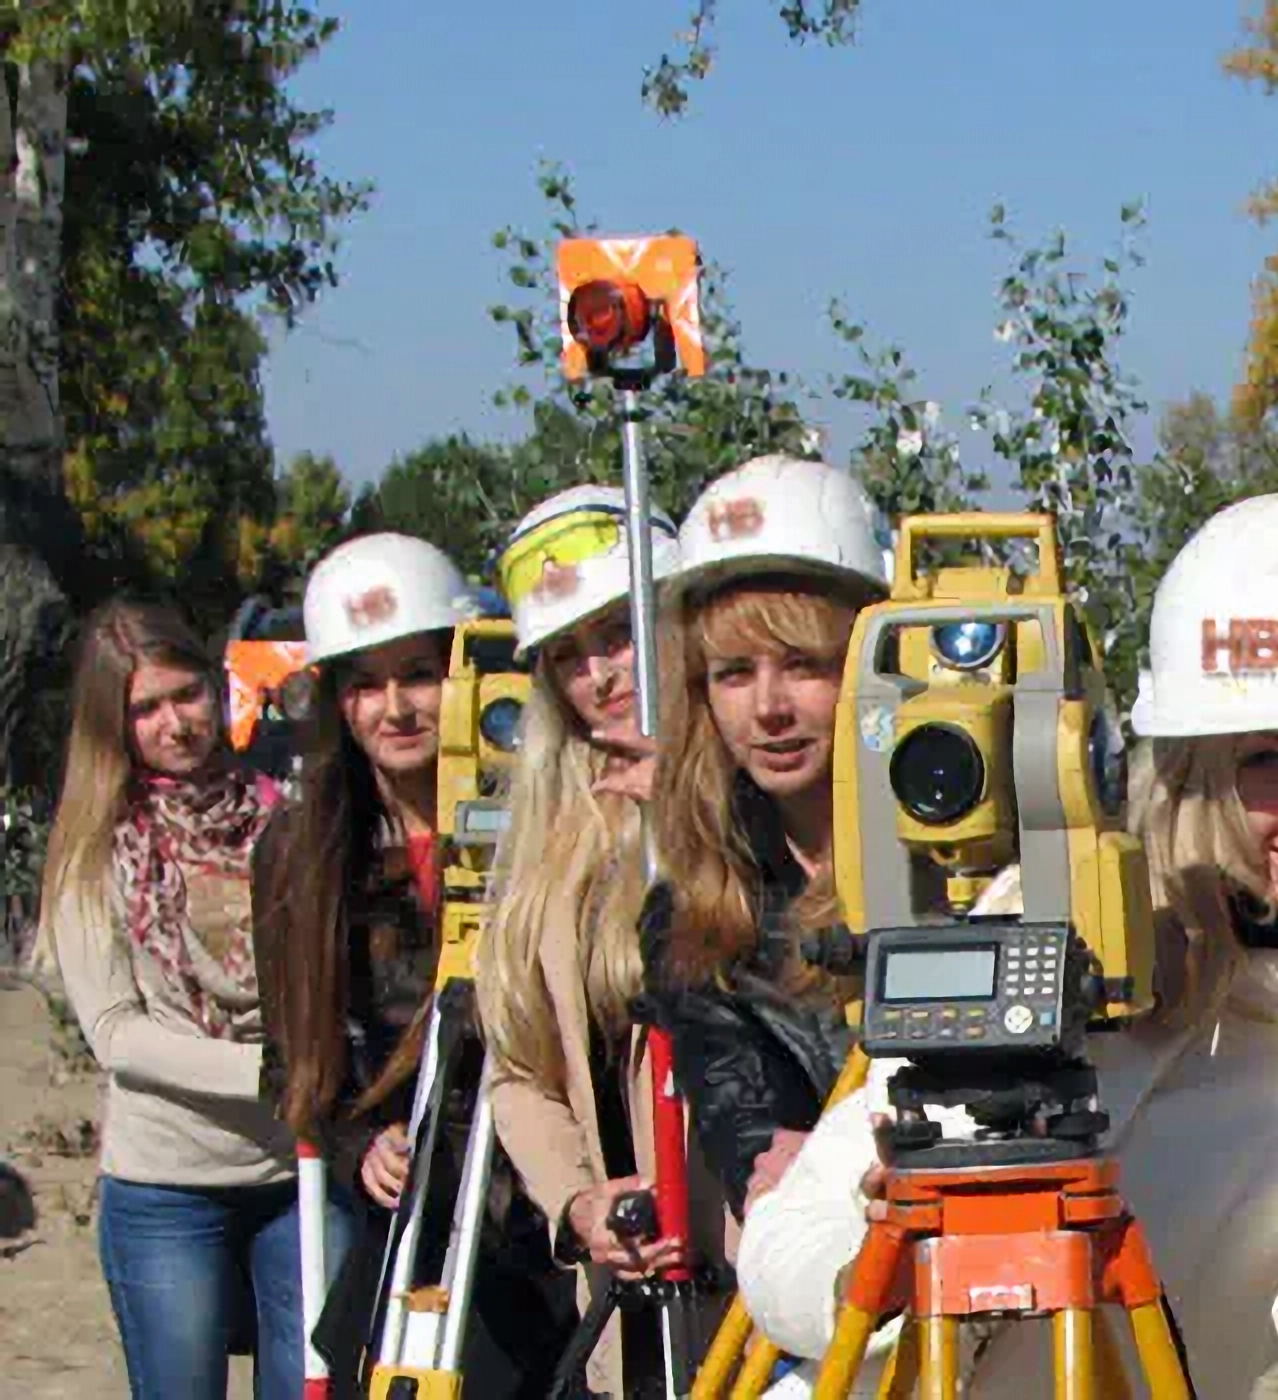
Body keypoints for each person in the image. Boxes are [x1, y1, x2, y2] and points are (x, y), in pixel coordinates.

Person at [735, 490, 1278, 1396]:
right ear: (1199, 768)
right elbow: (783, 1244)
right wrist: (876, 1280)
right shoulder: (1061, 918)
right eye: (1266, 761)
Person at [252, 533, 569, 1394]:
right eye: (364, 683)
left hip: (538, 1205)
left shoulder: (547, 826)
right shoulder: (300, 851)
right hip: (405, 1219)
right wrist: (360, 1145)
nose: (394, 708)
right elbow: (289, 1061)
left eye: (416, 675)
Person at [476, 485, 730, 1397]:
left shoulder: (760, 803)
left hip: (755, 1293)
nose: (600, 675)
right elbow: (520, 1068)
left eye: (618, 634)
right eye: (569, 656)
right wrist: (580, 1202)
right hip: (627, 1310)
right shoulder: (550, 848)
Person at [41, 599, 298, 1398]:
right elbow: (117, 1033)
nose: (175, 723)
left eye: (185, 695)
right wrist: (270, 1071)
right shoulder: (93, 845)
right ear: (114, 724)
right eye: (146, 708)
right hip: (165, 1190)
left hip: (296, 1176)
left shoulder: (284, 819)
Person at [635, 455, 893, 1224]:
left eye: (805, 665)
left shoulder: (976, 868)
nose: (769, 708)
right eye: (734, 673)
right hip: (829, 1294)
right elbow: (756, 1150)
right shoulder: (692, 913)